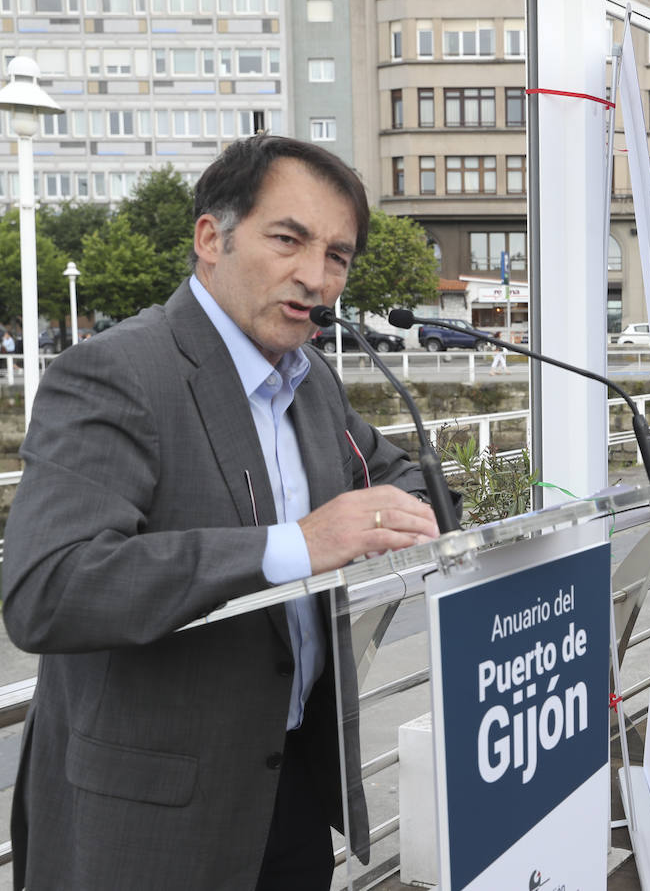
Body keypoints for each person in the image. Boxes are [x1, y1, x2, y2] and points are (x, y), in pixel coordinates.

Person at [2, 134, 441, 890]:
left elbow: (400, 479)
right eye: (288, 239)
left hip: (291, 790)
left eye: (338, 255)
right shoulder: (115, 372)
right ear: (212, 237)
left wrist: (421, 519)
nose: (316, 276)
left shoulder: (311, 379)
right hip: (148, 824)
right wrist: (296, 545)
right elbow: (49, 588)